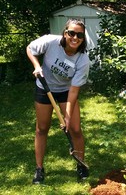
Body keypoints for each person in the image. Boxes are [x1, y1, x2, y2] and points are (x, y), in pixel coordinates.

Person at [26, 18, 90, 184]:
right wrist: (36, 65)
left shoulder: (83, 60)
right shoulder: (50, 41)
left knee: (75, 129)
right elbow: (30, 49)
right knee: (42, 128)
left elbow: (74, 90)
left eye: (79, 35)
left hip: (66, 91)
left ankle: (81, 165)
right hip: (44, 88)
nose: (75, 37)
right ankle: (39, 169)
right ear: (65, 33)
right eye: (71, 33)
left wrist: (67, 116)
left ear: (83, 38)